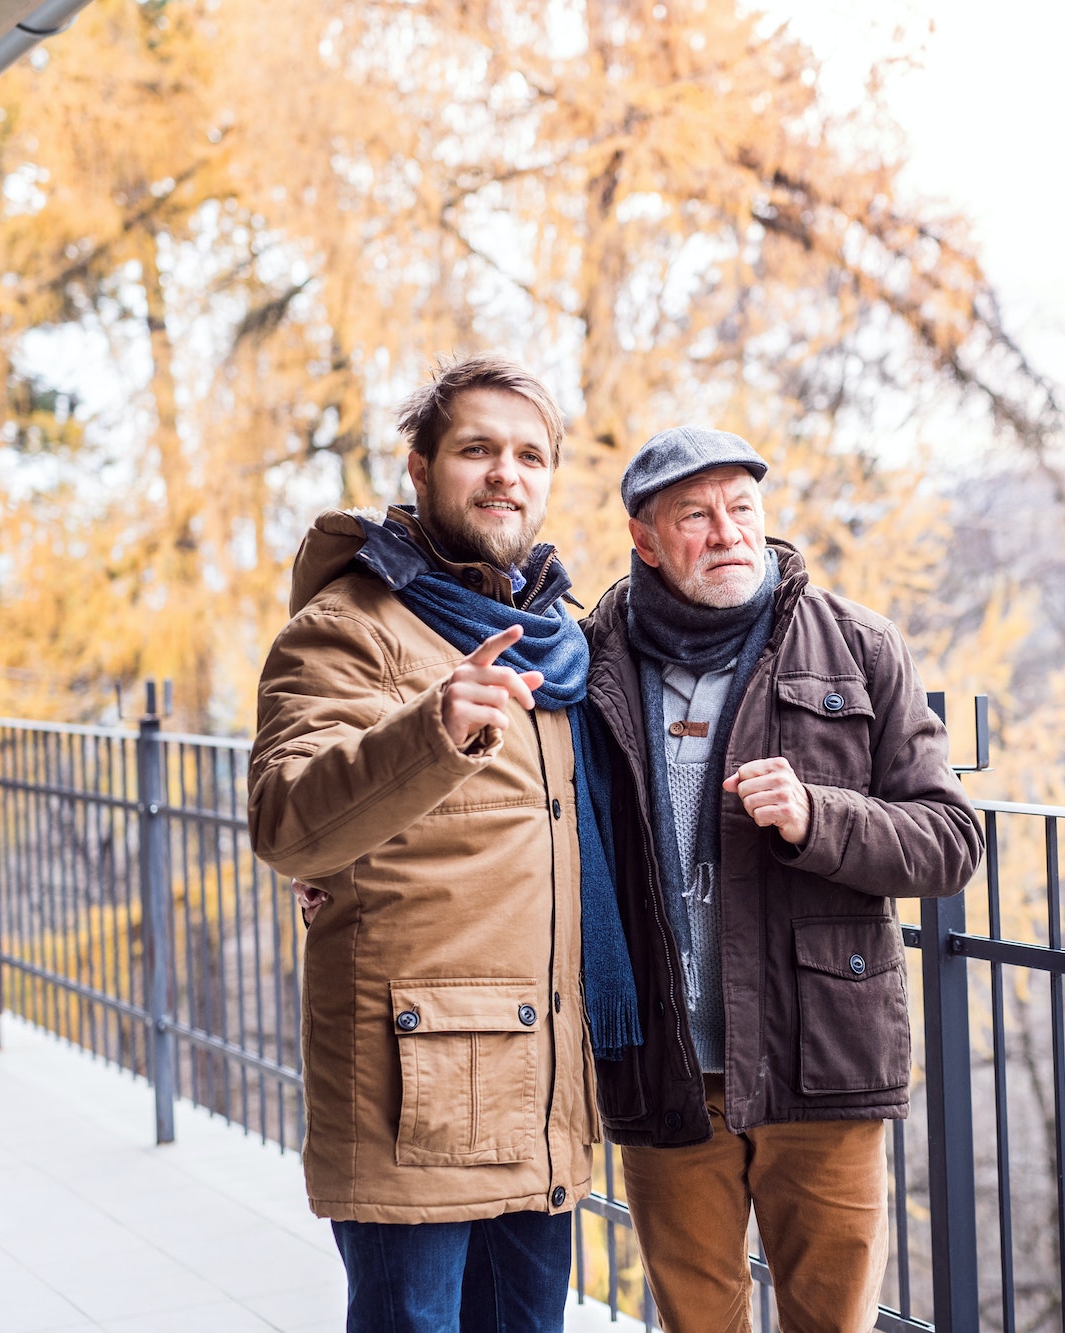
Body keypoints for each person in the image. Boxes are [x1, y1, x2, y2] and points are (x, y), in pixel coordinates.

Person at [249, 355, 637, 1332]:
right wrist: (431, 731)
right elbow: (289, 821)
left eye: (529, 455)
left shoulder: (553, 638)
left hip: (537, 1074)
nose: (506, 472)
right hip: (415, 1088)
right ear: (419, 470)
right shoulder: (348, 627)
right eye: (476, 449)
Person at [579, 426, 983, 1332]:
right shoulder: (591, 659)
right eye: (696, 516)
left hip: (821, 1064)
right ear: (645, 538)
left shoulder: (858, 646)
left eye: (742, 509)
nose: (727, 533)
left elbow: (951, 839)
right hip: (666, 1071)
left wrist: (818, 817)